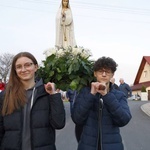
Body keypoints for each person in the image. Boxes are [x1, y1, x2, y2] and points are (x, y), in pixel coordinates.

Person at [0, 52, 65, 150]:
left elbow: (59, 124)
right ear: (15, 70)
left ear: (36, 67)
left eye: (27, 65)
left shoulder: (47, 93)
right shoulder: (5, 95)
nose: (23, 69)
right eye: (18, 67)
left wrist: (54, 95)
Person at [71, 56, 132, 150]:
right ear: (95, 73)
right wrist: (91, 94)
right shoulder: (85, 92)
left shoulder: (119, 95)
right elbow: (77, 118)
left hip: (113, 146)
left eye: (107, 72)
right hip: (87, 146)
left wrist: (106, 95)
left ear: (112, 75)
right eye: (100, 71)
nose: (104, 74)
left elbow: (123, 120)